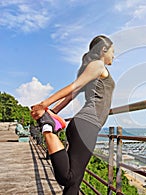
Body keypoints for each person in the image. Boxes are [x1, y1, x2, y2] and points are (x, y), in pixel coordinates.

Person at [30, 35, 115, 195]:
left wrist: (53, 112)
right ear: (103, 50)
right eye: (112, 51)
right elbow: (73, 87)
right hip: (87, 125)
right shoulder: (98, 65)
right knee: (68, 178)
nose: (114, 56)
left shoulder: (93, 72)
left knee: (74, 183)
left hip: (85, 125)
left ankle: (50, 122)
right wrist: (44, 105)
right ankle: (47, 128)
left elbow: (70, 96)